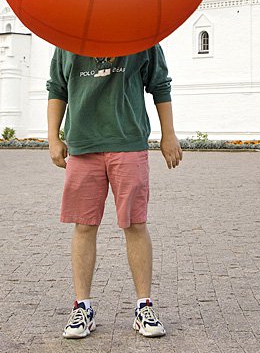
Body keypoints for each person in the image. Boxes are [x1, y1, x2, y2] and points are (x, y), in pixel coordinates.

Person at [46, 44, 182, 340]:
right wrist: (53, 137)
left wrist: (168, 134)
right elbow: (57, 88)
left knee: (135, 224)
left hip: (128, 141)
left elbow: (160, 84)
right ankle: (82, 308)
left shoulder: (143, 36)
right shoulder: (68, 40)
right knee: (84, 226)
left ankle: (143, 306)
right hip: (84, 145)